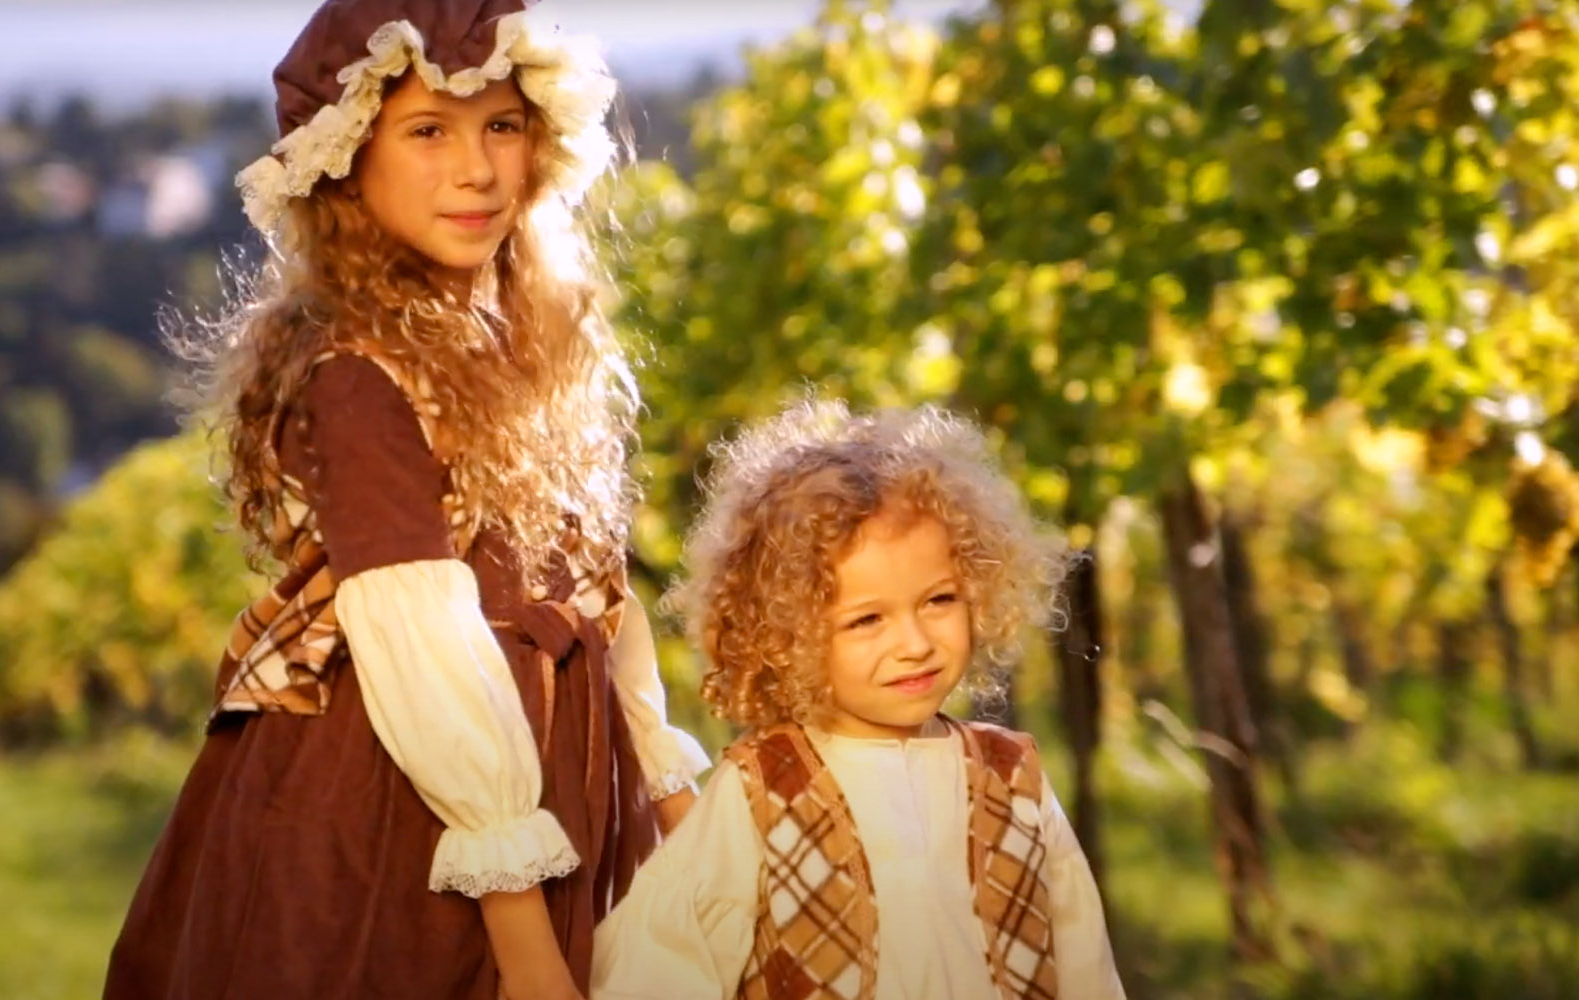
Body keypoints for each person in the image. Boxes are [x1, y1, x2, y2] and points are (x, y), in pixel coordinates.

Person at [102, 2, 708, 997]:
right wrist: (525, 948)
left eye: (500, 127)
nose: (476, 170)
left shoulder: (526, 353)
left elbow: (597, 598)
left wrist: (675, 806)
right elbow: (427, 655)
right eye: (427, 131)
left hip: (554, 778)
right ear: (346, 162)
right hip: (408, 813)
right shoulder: (358, 374)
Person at [590, 400, 1125, 1000]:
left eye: (939, 600)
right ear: (789, 634)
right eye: (867, 619)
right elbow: (659, 967)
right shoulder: (763, 790)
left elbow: (1087, 969)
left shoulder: (1014, 778)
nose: (915, 643)